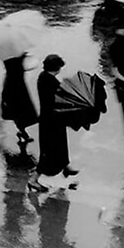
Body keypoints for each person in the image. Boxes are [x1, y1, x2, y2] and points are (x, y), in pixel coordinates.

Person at [28, 54, 79, 193]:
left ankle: (65, 166)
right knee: (49, 150)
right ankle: (34, 180)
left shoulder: (44, 78)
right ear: (57, 68)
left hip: (51, 120)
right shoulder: (50, 82)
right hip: (52, 121)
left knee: (59, 145)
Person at [1, 52, 38, 144]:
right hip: (17, 87)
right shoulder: (13, 60)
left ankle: (22, 131)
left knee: (17, 112)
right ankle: (22, 132)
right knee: (20, 111)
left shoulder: (8, 58)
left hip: (16, 87)